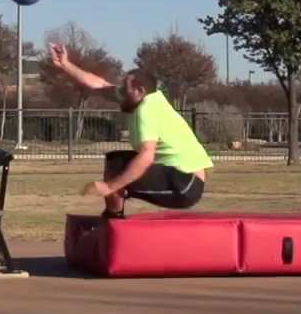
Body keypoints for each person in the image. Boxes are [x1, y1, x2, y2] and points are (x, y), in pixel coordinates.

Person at [48, 42, 213, 218]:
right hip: (175, 175)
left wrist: (110, 187)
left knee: (120, 173)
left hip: (185, 185)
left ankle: (114, 218)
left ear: (140, 91)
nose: (121, 93)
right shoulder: (141, 96)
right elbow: (101, 85)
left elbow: (146, 156)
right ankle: (114, 215)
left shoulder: (147, 110)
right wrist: (66, 64)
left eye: (125, 89)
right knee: (116, 161)